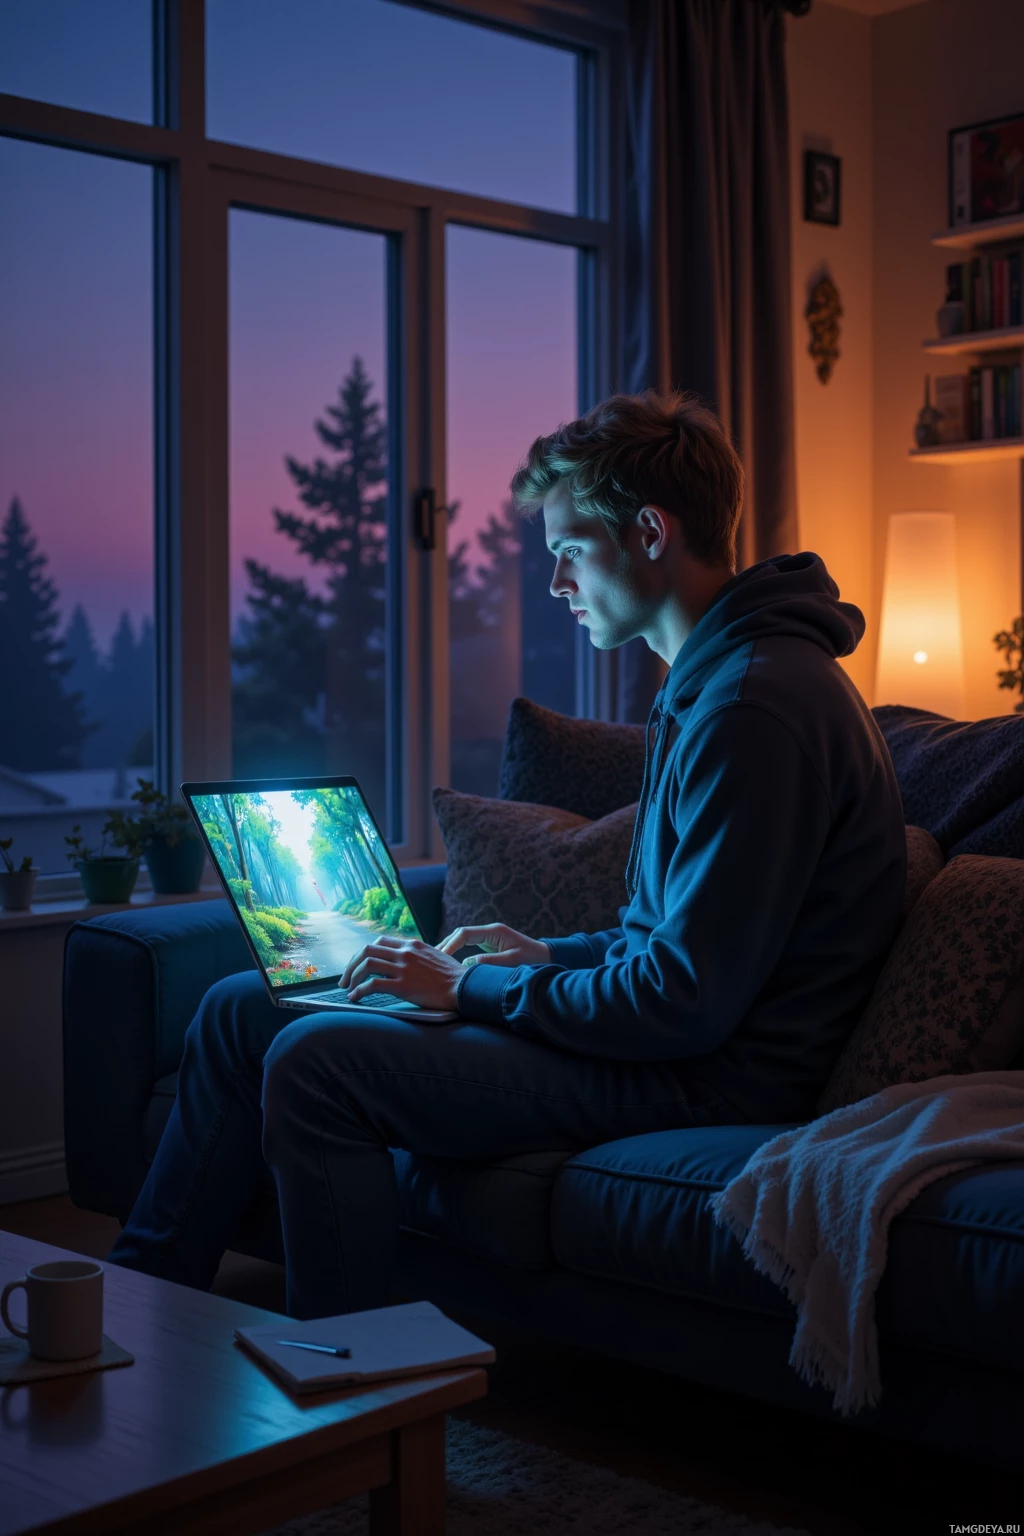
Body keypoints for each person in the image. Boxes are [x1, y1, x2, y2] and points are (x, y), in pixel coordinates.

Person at [109, 390, 906, 1319]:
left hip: (712, 1076)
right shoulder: (717, 684)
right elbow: (674, 938)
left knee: (319, 1064)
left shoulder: (753, 710)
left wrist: (470, 989)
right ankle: (136, 1314)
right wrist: (543, 956)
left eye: (571, 551)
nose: (558, 584)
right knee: (242, 1008)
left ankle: (359, 1394)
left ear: (650, 531)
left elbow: (685, 1002)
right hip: (672, 1040)